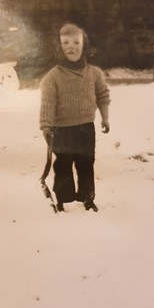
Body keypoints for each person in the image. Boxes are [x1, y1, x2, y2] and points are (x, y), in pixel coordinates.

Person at [40, 22, 110, 212]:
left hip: (86, 128)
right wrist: (46, 125)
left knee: (86, 164)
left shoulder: (94, 74)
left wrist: (105, 118)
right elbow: (48, 103)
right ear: (58, 47)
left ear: (84, 45)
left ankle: (87, 198)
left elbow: (103, 95)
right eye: (66, 42)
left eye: (76, 42)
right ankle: (63, 199)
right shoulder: (53, 77)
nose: (71, 46)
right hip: (61, 130)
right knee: (63, 166)